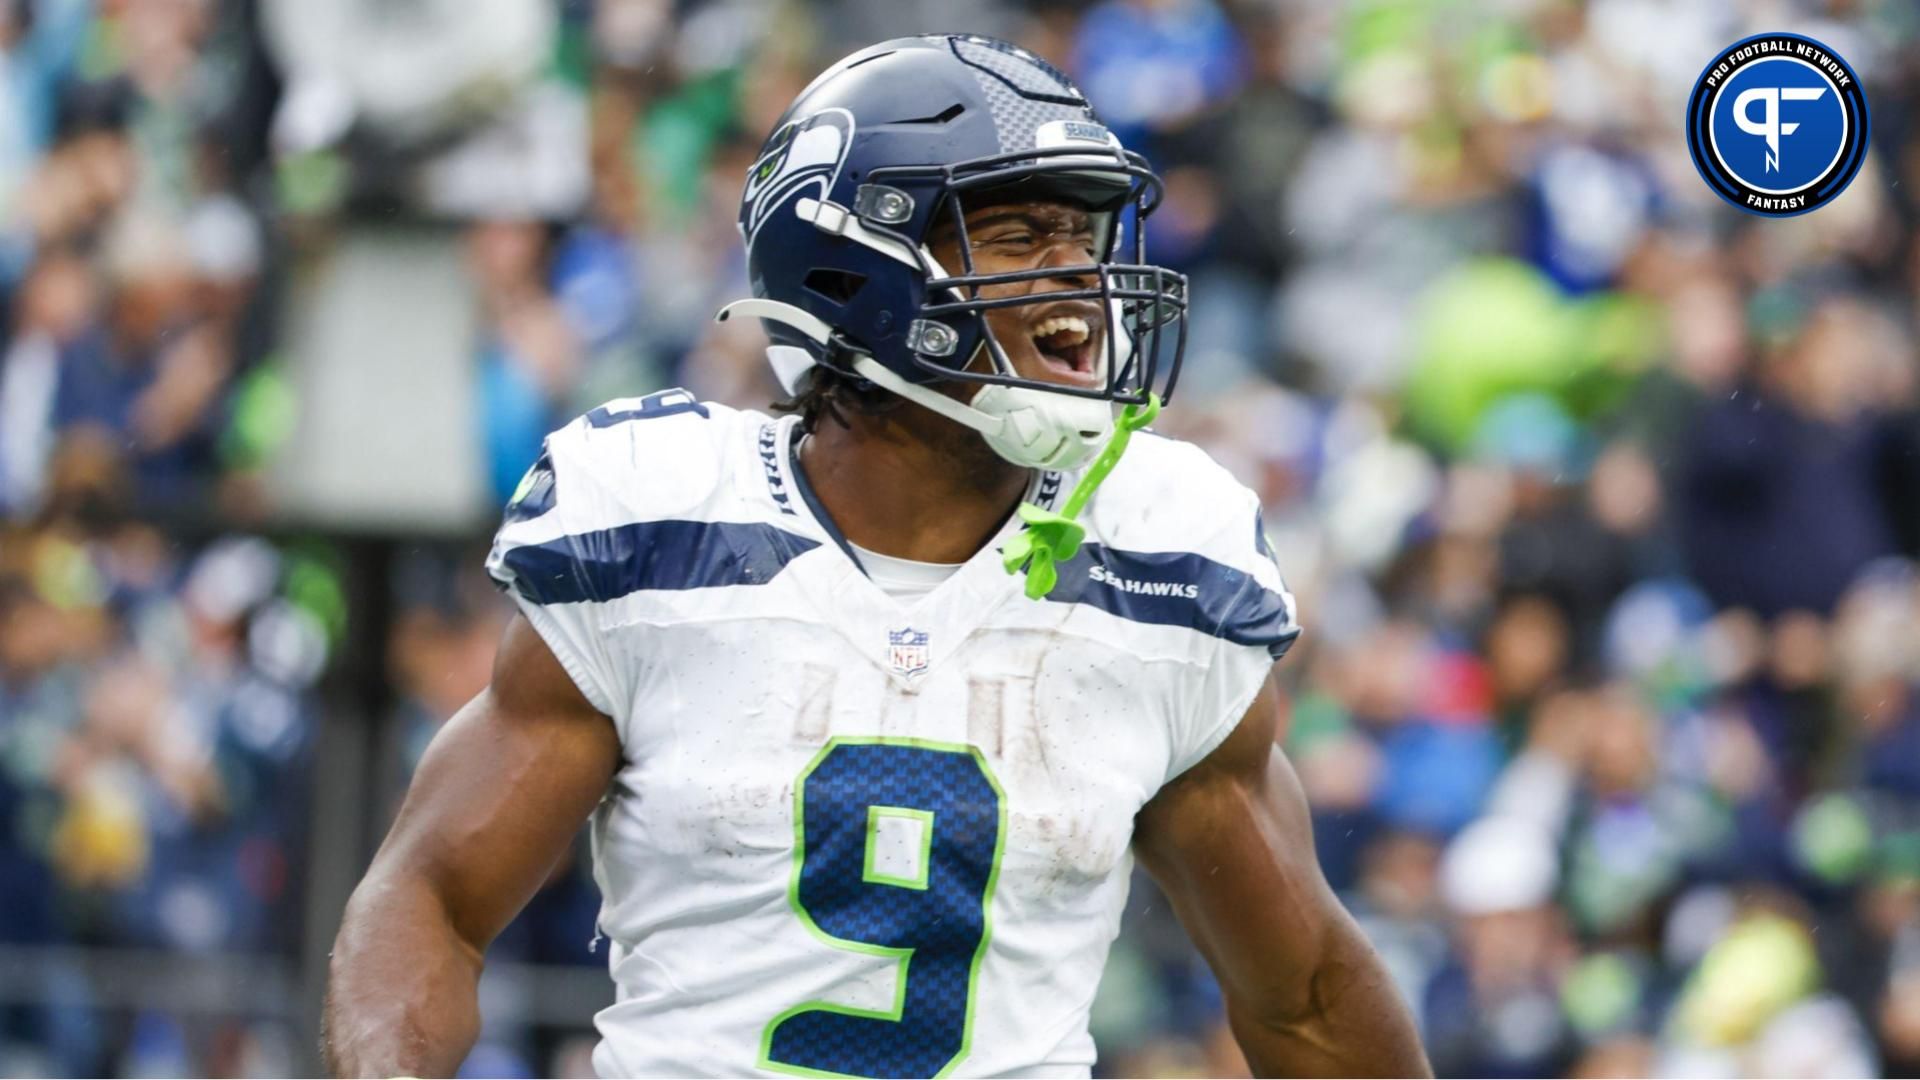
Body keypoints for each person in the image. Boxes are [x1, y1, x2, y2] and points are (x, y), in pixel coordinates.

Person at [322, 34, 1427, 1079]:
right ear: (849, 266)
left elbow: (1309, 997)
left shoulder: (1159, 562)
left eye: (1082, 239)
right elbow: (433, 896)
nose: (1076, 284)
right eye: (1018, 235)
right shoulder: (664, 528)